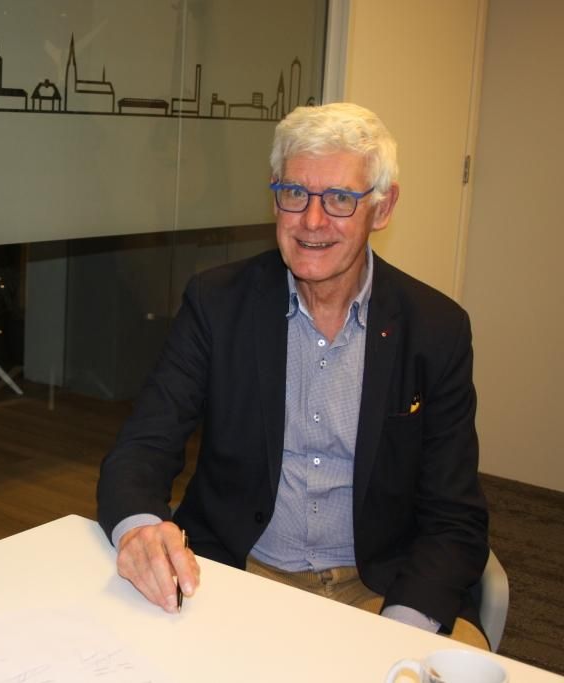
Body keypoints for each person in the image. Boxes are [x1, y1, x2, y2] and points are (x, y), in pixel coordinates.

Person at [97, 102, 490, 648]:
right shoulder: (217, 304)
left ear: (383, 207)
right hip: (235, 575)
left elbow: (455, 517)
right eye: (294, 193)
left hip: (381, 588)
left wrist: (398, 632)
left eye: (340, 198)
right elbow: (143, 448)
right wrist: (141, 532)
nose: (312, 221)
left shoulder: (435, 328)